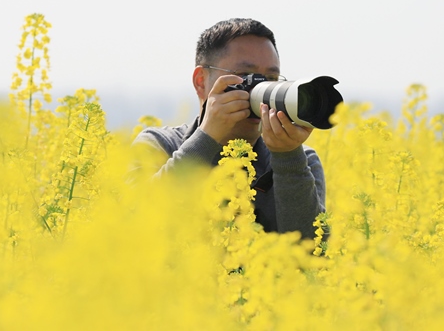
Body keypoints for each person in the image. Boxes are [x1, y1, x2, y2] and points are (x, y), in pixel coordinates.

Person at [133, 18, 326, 240]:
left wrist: (288, 158)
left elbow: (313, 257)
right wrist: (206, 138)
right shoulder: (160, 145)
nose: (261, 89)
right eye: (247, 77)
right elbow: (136, 224)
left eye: (271, 79)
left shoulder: (302, 161)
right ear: (200, 82)